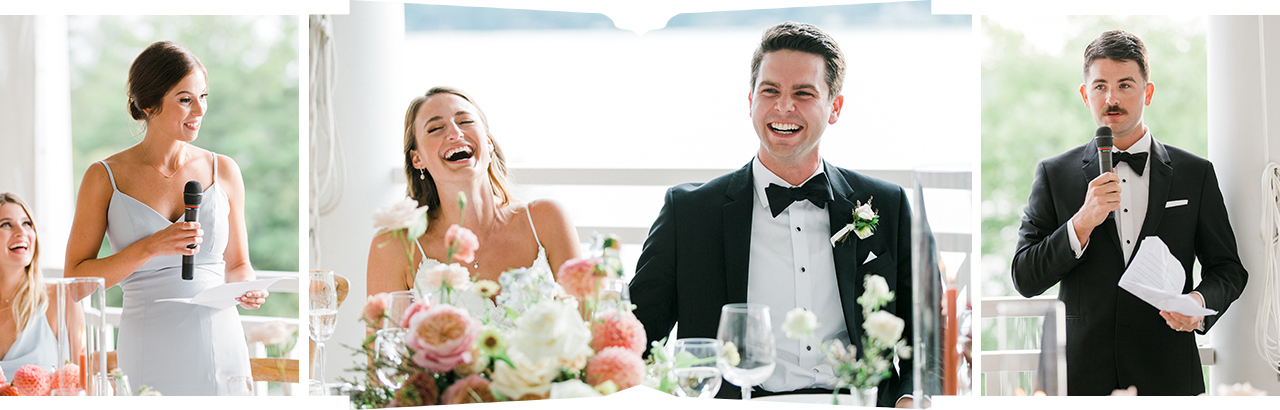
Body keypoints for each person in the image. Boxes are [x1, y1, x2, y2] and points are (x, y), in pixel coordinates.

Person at [629, 22, 914, 407]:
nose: (784, 107)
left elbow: (924, 338)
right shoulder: (688, 214)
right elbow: (637, 340)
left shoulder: (888, 205)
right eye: (770, 91)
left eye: (803, 93)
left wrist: (908, 399)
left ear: (835, 108)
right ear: (750, 101)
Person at [1011, 30, 1248, 396]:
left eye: (1125, 85)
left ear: (1147, 92)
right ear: (1084, 94)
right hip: (1081, 377)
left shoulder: (1195, 173)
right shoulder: (1054, 174)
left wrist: (1197, 303)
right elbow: (1024, 276)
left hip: (1168, 372)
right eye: (1100, 86)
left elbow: (1229, 270)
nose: (1112, 98)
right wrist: (1081, 223)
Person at [64, 41, 268, 396]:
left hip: (221, 341)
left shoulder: (225, 170)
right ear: (148, 104)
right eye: (185, 99)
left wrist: (246, 287)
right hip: (148, 346)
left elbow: (239, 264)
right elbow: (76, 282)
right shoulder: (103, 177)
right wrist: (150, 247)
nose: (200, 109)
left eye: (204, 96)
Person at [366, 86, 581, 299]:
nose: (455, 133)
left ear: (488, 142)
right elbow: (385, 333)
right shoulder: (395, 246)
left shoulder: (547, 220)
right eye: (435, 128)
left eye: (465, 121)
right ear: (417, 159)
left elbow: (586, 323)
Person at [0, 193, 60, 381]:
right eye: (6, 224)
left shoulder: (60, 299)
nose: (21, 232)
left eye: (27, 223)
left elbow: (79, 384)